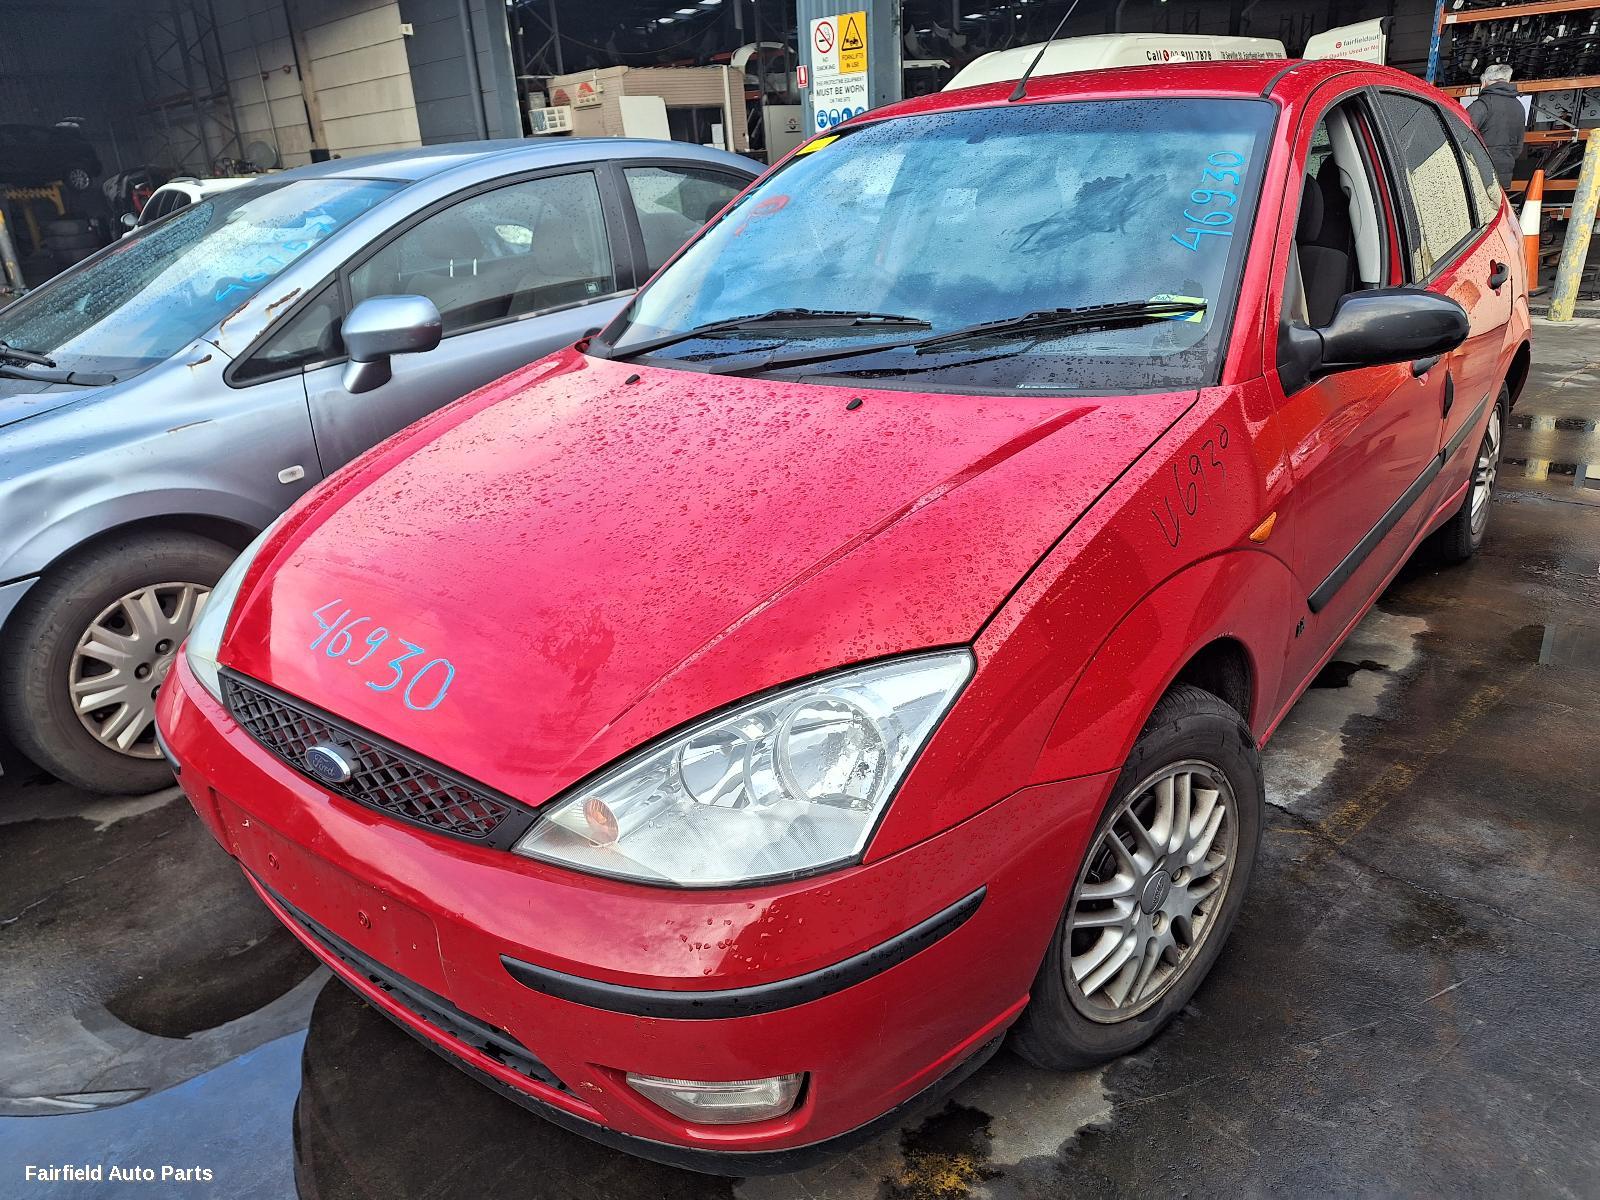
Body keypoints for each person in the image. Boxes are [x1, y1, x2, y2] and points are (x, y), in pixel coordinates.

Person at [1466, 64, 1527, 190]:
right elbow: (1518, 145)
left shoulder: (1483, 105)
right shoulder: (1518, 106)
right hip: (1506, 169)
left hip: (1481, 172)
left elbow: (1462, 134)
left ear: (1484, 81)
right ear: (1508, 81)